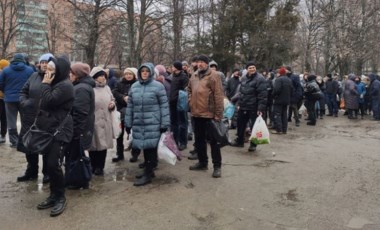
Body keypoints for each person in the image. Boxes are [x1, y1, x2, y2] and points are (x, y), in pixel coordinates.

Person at [35, 56, 74, 217]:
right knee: (49, 164)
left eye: (51, 70)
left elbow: (49, 100)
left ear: (60, 71)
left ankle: (60, 197)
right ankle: (53, 195)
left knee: (54, 164)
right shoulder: (56, 83)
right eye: (47, 69)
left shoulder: (65, 86)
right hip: (49, 129)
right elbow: (43, 102)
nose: (47, 72)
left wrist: (45, 84)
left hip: (60, 131)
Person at [125, 62, 170, 186]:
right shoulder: (134, 87)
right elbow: (130, 106)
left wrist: (164, 123)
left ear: (151, 73)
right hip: (139, 122)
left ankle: (148, 173)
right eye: (142, 71)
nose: (144, 73)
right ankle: (148, 171)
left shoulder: (158, 86)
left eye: (147, 71)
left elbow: (164, 106)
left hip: (153, 122)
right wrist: (128, 123)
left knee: (150, 148)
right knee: (144, 146)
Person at [17, 53, 54, 183]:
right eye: (42, 62)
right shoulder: (33, 76)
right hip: (30, 118)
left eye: (47, 62)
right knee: (29, 147)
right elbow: (23, 91)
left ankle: (47, 174)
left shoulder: (55, 78)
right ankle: (31, 171)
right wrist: (25, 102)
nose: (44, 64)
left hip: (46, 118)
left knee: (46, 147)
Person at [188, 55, 224, 178]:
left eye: (202, 62)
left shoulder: (214, 76)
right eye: (198, 62)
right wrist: (190, 101)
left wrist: (218, 114)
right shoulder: (194, 76)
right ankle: (203, 163)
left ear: (207, 63)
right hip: (196, 114)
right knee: (199, 140)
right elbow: (189, 90)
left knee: (214, 142)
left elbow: (218, 95)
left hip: (209, 115)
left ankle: (217, 166)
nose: (200, 64)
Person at [65, 62, 95, 189]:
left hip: (79, 129)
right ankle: (79, 180)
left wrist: (76, 132)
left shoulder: (81, 88)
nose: (69, 75)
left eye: (71, 73)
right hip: (82, 128)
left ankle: (79, 181)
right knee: (79, 155)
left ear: (77, 75)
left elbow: (80, 113)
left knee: (79, 157)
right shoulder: (81, 86)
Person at [230, 61, 267, 152]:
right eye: (250, 67)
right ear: (247, 69)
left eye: (253, 67)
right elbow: (241, 93)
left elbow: (262, 95)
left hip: (254, 106)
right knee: (240, 124)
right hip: (243, 105)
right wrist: (239, 104)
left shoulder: (260, 79)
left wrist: (260, 108)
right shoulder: (244, 78)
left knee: (254, 126)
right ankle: (240, 141)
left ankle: (253, 144)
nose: (252, 69)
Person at [0, 53, 34, 148]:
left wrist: (6, 91)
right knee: (25, 119)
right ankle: (24, 139)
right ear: (23, 60)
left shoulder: (6, 70)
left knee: (11, 120)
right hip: (24, 99)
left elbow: (0, 83)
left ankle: (13, 141)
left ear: (13, 60)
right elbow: (32, 84)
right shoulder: (29, 70)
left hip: (9, 99)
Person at [88, 67, 115, 176]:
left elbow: (112, 99)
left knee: (103, 145)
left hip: (105, 119)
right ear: (94, 77)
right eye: (100, 75)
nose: (103, 77)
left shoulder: (107, 88)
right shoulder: (90, 88)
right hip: (94, 120)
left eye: (104, 75)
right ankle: (92, 165)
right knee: (93, 144)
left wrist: (112, 104)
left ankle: (100, 167)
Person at [112, 67, 140, 163]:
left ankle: (135, 154)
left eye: (130, 74)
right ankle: (119, 154)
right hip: (121, 112)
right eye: (126, 74)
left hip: (134, 112)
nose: (128, 76)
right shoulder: (119, 83)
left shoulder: (137, 84)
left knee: (135, 133)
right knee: (120, 134)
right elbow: (114, 92)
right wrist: (123, 97)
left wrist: (130, 98)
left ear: (134, 75)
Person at [169, 61, 189, 150]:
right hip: (172, 103)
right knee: (173, 123)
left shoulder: (184, 77)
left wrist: (178, 97)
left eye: (172, 66)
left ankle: (183, 142)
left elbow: (185, 91)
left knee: (182, 123)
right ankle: (174, 141)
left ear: (176, 68)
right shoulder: (171, 76)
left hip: (180, 103)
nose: (171, 68)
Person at [271, 67, 293, 134]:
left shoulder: (279, 80)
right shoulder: (289, 80)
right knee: (284, 115)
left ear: (280, 73)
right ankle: (284, 130)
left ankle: (279, 129)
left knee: (277, 114)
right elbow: (292, 90)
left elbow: (276, 90)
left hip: (279, 100)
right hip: (286, 100)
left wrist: (273, 96)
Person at [0, 59, 10, 143]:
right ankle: (3, 135)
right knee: (4, 118)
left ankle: (2, 135)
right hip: (6, 98)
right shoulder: (8, 73)